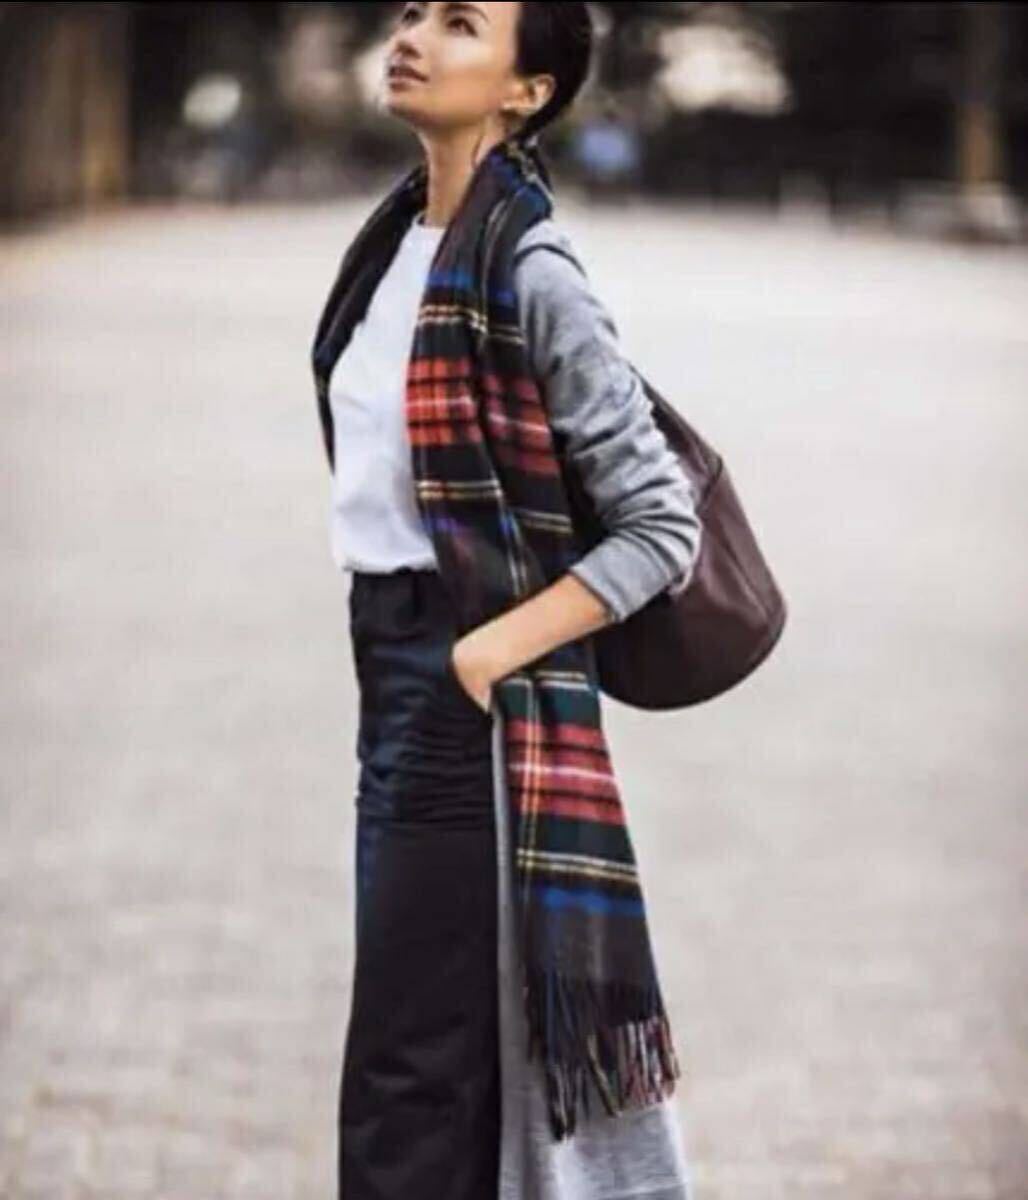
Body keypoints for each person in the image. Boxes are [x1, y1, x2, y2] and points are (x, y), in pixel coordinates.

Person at [320, 4, 703, 1197]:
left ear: (524, 90)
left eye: (459, 23)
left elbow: (661, 525)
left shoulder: (530, 269)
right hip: (392, 664)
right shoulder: (393, 244)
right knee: (425, 1046)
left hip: (466, 685)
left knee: (409, 1065)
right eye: (411, 12)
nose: (412, 35)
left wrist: (485, 653)